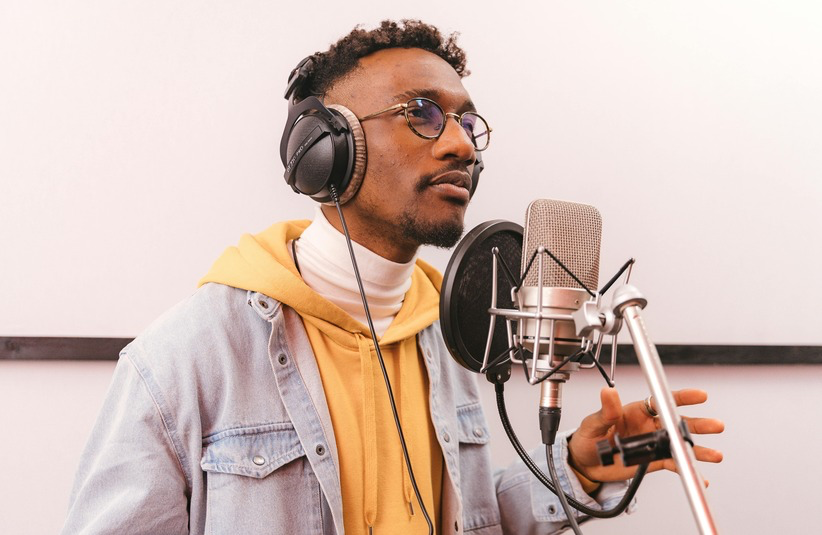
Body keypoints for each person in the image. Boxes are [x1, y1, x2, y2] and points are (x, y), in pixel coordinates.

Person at [62, 19, 723, 535]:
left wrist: (574, 465)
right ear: (328, 150)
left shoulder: (451, 337)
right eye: (424, 113)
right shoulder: (187, 356)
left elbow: (465, 515)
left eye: (467, 122)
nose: (462, 143)